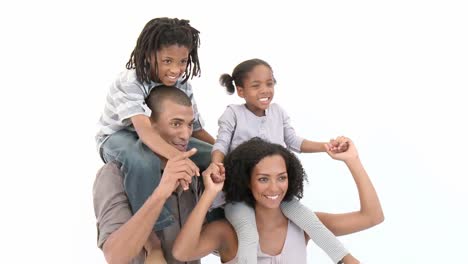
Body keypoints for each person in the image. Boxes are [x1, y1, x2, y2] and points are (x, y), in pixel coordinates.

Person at [204, 58, 350, 263]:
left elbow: (294, 141)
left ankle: (347, 259)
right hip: (241, 192)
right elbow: (221, 143)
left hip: (272, 190)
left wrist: (326, 147)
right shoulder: (234, 113)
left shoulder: (278, 112)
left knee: (310, 220)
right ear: (241, 90)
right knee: (248, 233)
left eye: (269, 83)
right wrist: (216, 164)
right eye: (256, 86)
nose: (265, 90)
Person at [95, 17, 214, 262]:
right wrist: (180, 158)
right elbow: (145, 131)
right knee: (142, 159)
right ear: (149, 55)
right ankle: (152, 239)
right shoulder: (131, 81)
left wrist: (226, 152)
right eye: (167, 61)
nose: (176, 69)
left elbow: (198, 130)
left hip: (156, 136)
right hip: (119, 136)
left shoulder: (182, 84)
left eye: (182, 61)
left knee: (213, 155)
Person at [173, 137, 384, 263]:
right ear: (247, 181)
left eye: (281, 178)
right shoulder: (227, 232)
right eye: (263, 179)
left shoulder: (304, 225)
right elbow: (182, 253)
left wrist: (352, 161)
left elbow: (372, 217)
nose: (274, 188)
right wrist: (210, 192)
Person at [93, 87, 207, 263]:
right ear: (148, 125)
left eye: (190, 124)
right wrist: (161, 192)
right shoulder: (114, 175)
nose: (186, 135)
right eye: (176, 124)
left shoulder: (195, 170)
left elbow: (216, 244)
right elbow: (115, 256)